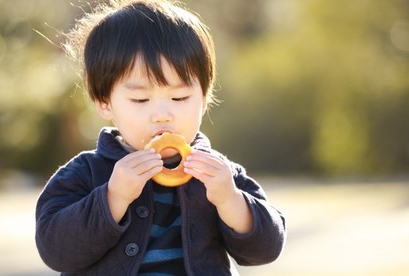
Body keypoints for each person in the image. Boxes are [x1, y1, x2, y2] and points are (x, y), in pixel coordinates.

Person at [35, 0, 286, 275]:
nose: (162, 115)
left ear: (204, 98)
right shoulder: (84, 174)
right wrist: (113, 197)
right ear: (104, 102)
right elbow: (55, 250)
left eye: (179, 97)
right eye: (141, 99)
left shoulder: (219, 175)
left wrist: (230, 201)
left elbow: (267, 248)